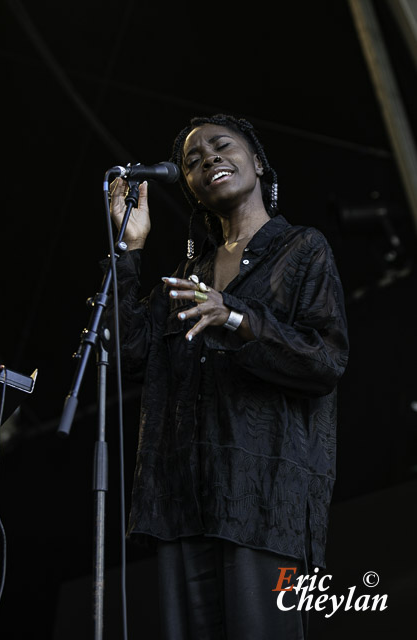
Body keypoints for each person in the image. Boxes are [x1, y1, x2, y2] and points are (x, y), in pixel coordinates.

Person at [109, 114, 349, 640]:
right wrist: (129, 250)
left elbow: (325, 360)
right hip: (181, 506)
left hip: (262, 506)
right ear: (191, 190)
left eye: (222, 148)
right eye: (193, 162)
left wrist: (236, 317)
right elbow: (129, 356)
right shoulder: (186, 279)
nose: (208, 160)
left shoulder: (302, 250)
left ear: (258, 163)